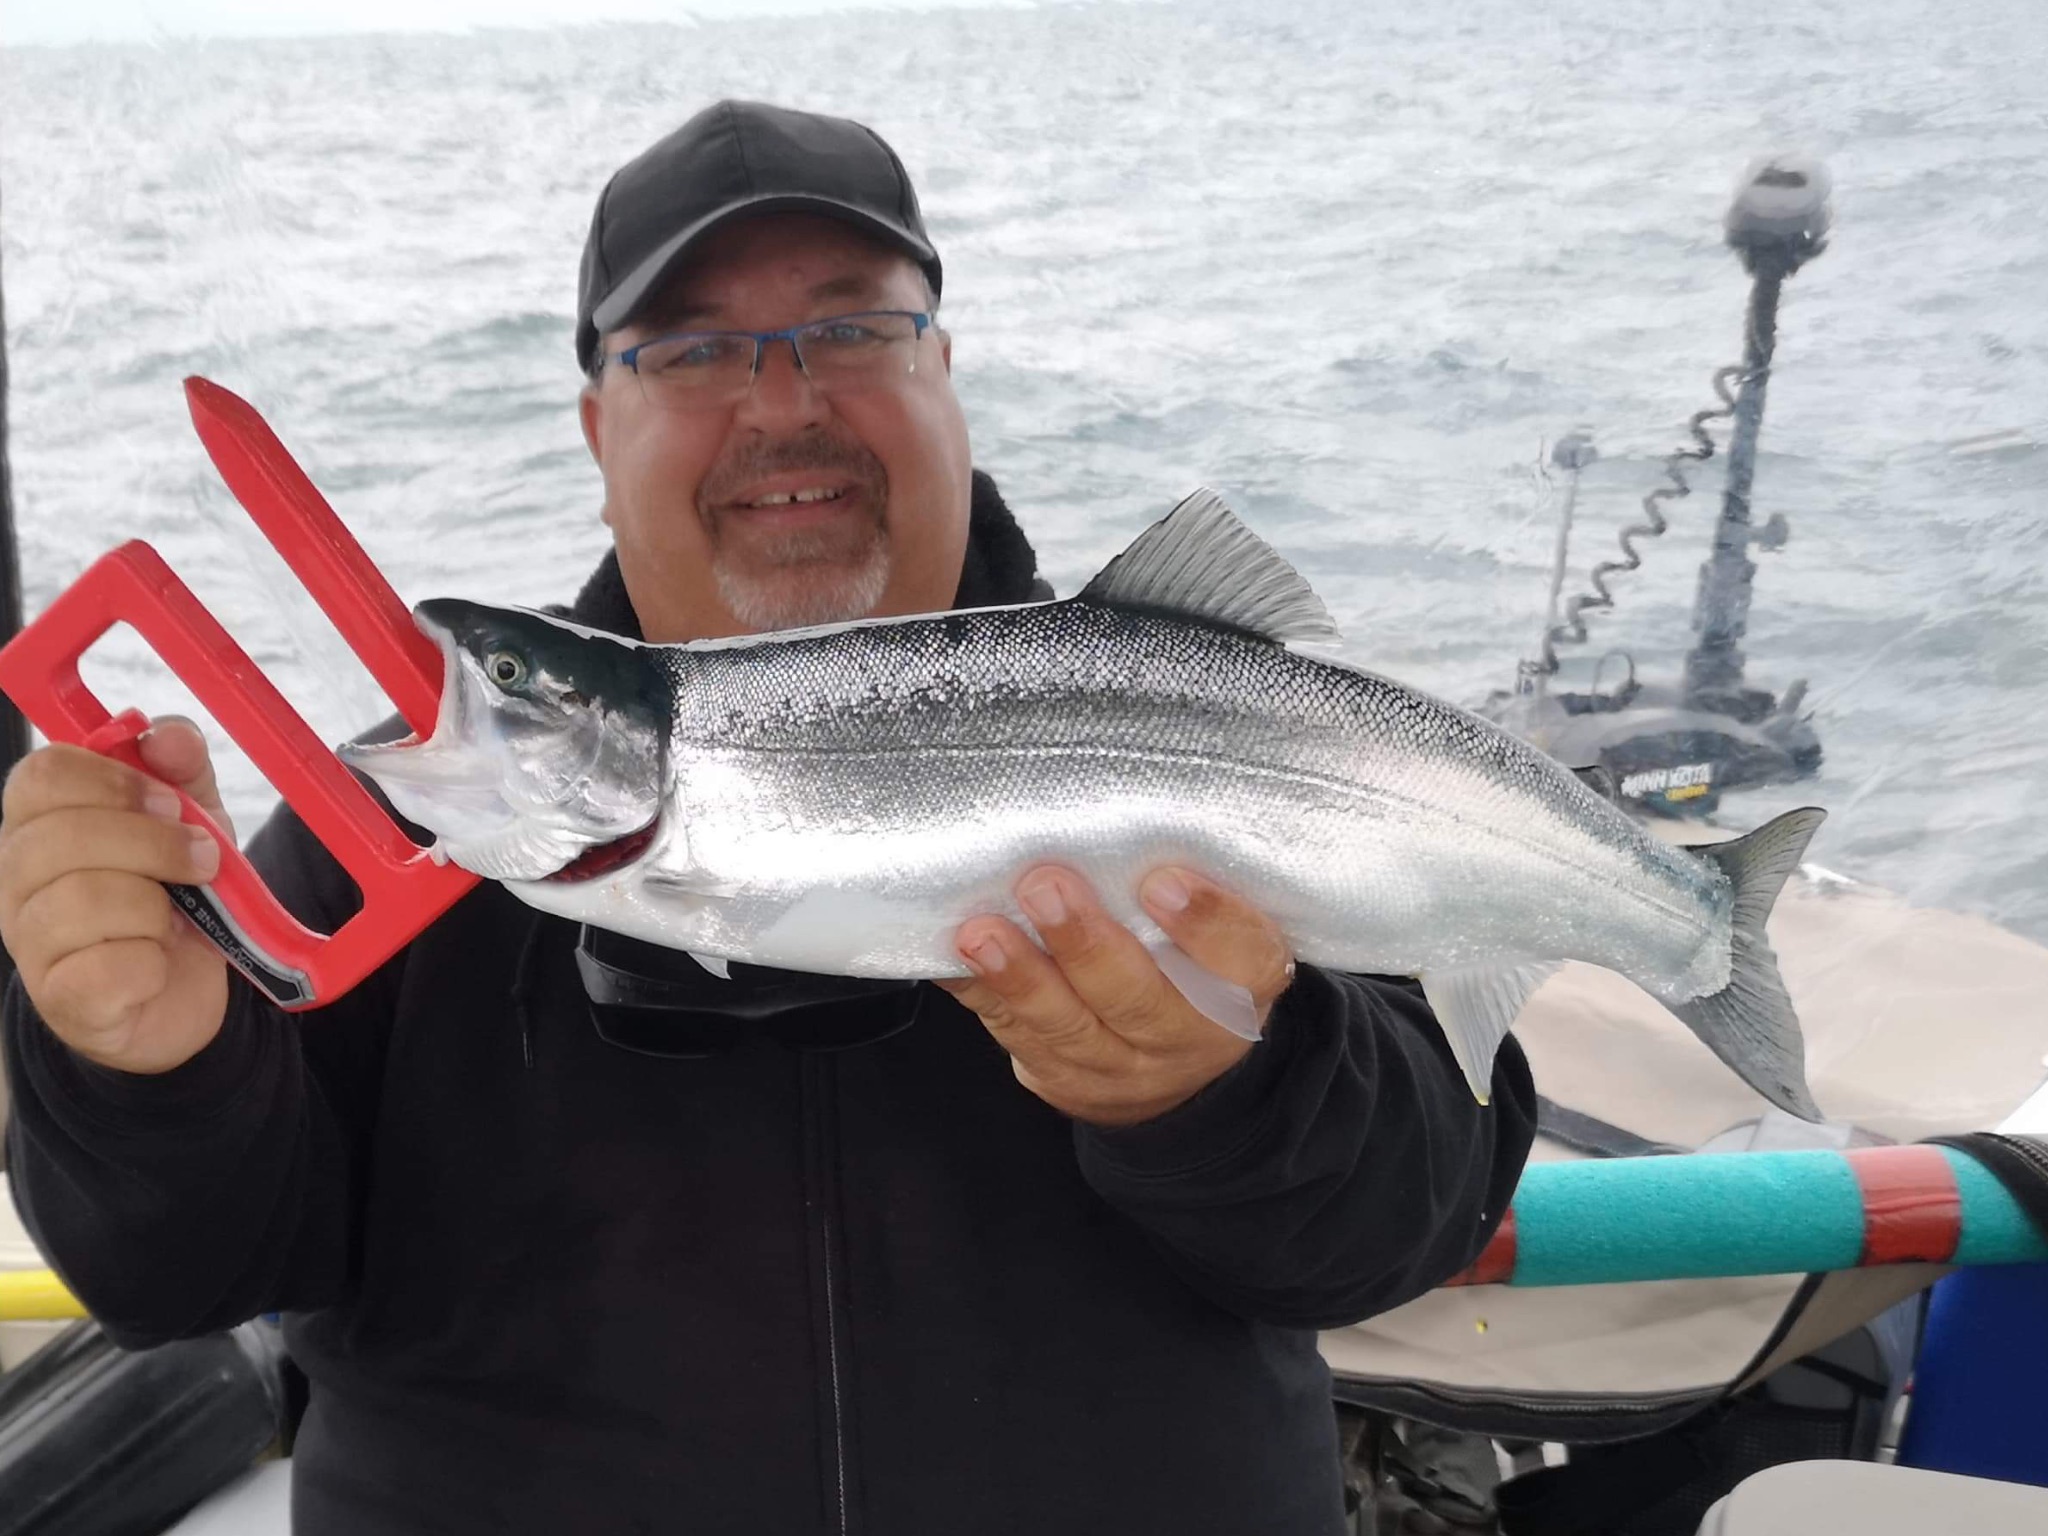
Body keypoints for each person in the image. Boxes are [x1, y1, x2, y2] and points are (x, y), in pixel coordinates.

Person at [0, 101, 1535, 1535]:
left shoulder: (1222, 736)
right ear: (596, 426)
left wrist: (1227, 1101)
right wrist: (139, 1071)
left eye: (853, 328)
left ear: (946, 373)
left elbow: (1410, 1221)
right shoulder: (395, 823)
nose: (784, 403)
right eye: (690, 351)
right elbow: (176, 1278)